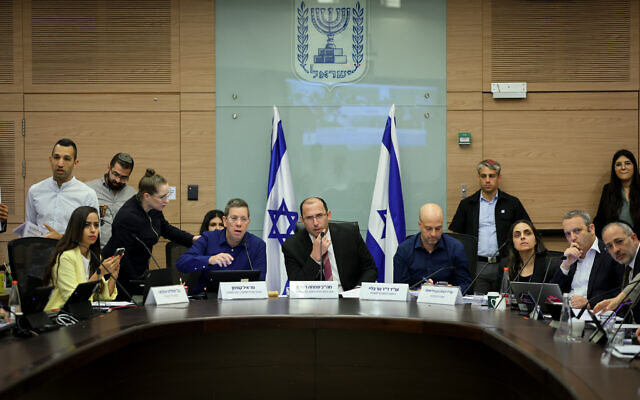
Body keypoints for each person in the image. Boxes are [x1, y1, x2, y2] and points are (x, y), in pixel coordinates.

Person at [103, 169, 199, 298]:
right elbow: (123, 257)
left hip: (139, 271)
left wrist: (192, 239)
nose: (167, 201)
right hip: (118, 276)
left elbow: (166, 229)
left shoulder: (154, 209)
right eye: (162, 197)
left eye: (167, 195)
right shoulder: (127, 217)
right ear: (147, 196)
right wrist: (138, 282)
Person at [449, 159, 530, 294]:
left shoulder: (512, 203)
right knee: (477, 309)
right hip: (477, 265)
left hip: (505, 264)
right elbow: (457, 237)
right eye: (483, 176)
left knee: (504, 305)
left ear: (499, 178)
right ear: (479, 178)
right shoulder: (467, 204)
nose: (487, 180)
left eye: (491, 176)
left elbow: (527, 230)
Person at [282, 196, 377, 291]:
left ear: (328, 215)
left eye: (319, 216)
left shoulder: (350, 234)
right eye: (309, 218)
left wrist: (358, 290)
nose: (315, 223)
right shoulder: (291, 246)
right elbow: (297, 287)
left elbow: (370, 269)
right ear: (302, 220)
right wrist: (314, 258)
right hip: (313, 301)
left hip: (348, 297)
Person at [177, 199, 266, 294]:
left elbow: (259, 281)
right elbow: (182, 264)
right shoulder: (208, 238)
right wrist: (209, 260)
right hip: (208, 302)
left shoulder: (257, 245)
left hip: (243, 301)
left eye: (243, 219)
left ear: (248, 222)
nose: (239, 224)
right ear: (225, 221)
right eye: (234, 218)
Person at [43, 206, 121, 312]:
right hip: (61, 316)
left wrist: (113, 276)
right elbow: (74, 301)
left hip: (83, 314)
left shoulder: (94, 255)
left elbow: (103, 297)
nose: (93, 230)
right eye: (87, 225)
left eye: (96, 225)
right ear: (76, 228)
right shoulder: (66, 257)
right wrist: (99, 273)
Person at [26, 138, 99, 239]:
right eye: (56, 157)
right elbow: (29, 231)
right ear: (50, 160)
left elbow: (92, 237)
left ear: (75, 163)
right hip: (40, 252)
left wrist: (61, 239)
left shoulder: (88, 194)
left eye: (67, 159)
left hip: (72, 253)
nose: (60, 164)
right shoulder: (35, 191)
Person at [551, 210, 623, 309]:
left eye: (577, 231)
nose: (572, 238)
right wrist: (566, 265)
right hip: (566, 314)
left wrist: (590, 303)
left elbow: (621, 291)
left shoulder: (611, 254)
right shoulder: (568, 257)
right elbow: (551, 295)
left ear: (591, 229)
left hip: (595, 315)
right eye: (568, 234)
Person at [393, 203, 472, 293]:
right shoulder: (404, 250)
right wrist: (419, 291)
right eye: (428, 228)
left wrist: (453, 290)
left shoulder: (455, 248)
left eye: (438, 228)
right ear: (420, 225)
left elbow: (467, 286)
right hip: (414, 304)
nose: (433, 234)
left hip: (447, 303)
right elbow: (399, 288)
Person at [476, 219, 558, 293]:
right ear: (513, 243)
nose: (522, 237)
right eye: (517, 235)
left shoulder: (549, 266)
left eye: (527, 233)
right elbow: (499, 294)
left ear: (535, 239)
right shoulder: (505, 264)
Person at [86, 153, 137, 248]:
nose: (118, 180)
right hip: (94, 251)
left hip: (123, 253)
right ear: (108, 168)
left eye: (124, 177)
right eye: (115, 174)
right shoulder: (89, 190)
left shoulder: (133, 196)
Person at [592, 222, 640, 321]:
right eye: (609, 246)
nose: (615, 250)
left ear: (633, 238)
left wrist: (618, 299)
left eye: (619, 241)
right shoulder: (624, 263)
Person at [594, 149, 640, 237]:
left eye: (627, 163)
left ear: (634, 166)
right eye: (618, 164)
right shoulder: (608, 190)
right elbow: (600, 220)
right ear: (614, 169)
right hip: (615, 245)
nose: (623, 167)